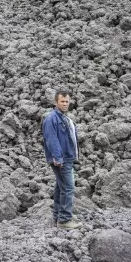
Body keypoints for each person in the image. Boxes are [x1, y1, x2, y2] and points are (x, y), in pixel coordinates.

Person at [41, 90, 82, 229]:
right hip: (61, 159)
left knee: (60, 187)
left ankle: (59, 215)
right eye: (62, 102)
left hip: (67, 157)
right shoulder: (52, 119)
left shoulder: (64, 118)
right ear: (55, 102)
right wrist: (58, 158)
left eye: (67, 101)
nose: (65, 104)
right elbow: (51, 139)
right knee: (68, 187)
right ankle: (64, 220)